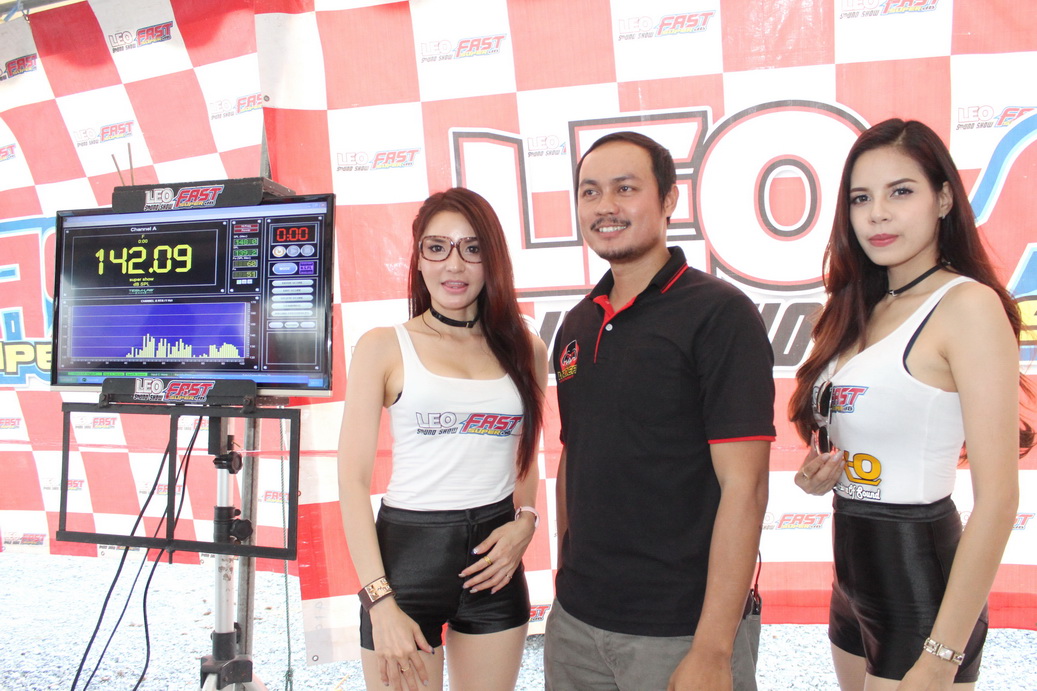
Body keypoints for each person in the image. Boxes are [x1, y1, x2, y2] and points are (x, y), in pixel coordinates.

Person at [789, 118, 1032, 690]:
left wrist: (942, 655)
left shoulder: (967, 306)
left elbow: (999, 502)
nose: (877, 214)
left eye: (900, 192)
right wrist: (820, 476)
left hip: (922, 590)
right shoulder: (859, 306)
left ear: (943, 199)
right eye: (861, 198)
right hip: (851, 580)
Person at [544, 131, 775, 691]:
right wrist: (565, 584)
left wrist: (713, 648)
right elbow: (576, 458)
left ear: (669, 199)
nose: (605, 206)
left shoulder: (720, 314)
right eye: (590, 192)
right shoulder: (577, 323)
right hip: (575, 625)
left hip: (680, 631)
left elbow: (745, 488)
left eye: (625, 188)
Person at [338, 187, 548, 691]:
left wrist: (527, 520)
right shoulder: (383, 346)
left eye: (472, 248)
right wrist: (379, 601)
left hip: (494, 565)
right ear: (418, 259)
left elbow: (526, 455)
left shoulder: (527, 348)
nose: (454, 265)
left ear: (492, 259)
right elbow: (351, 481)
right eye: (437, 248)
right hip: (407, 564)